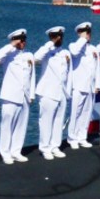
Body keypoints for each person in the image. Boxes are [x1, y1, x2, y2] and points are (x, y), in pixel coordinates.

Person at [0, 30, 35, 165]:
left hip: (25, 95)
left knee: (21, 125)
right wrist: (11, 45)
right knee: (7, 125)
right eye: (19, 40)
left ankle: (16, 151)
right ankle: (5, 153)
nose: (22, 42)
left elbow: (32, 76)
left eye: (23, 40)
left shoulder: (29, 55)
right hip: (10, 95)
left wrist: (32, 94)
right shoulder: (8, 55)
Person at [34, 27, 71, 157]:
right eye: (56, 36)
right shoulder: (46, 51)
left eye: (60, 35)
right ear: (51, 36)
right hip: (48, 92)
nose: (59, 38)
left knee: (58, 120)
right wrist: (50, 43)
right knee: (46, 121)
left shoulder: (65, 52)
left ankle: (55, 146)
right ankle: (45, 148)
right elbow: (36, 58)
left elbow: (68, 73)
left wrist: (68, 92)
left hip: (61, 92)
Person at [67, 22, 100, 148]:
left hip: (90, 87)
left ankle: (82, 136)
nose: (88, 35)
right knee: (75, 113)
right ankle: (72, 138)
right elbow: (75, 52)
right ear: (79, 33)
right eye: (85, 32)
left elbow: (96, 67)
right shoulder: (74, 46)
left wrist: (98, 84)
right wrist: (82, 39)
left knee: (87, 113)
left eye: (88, 32)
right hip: (78, 86)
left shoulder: (93, 49)